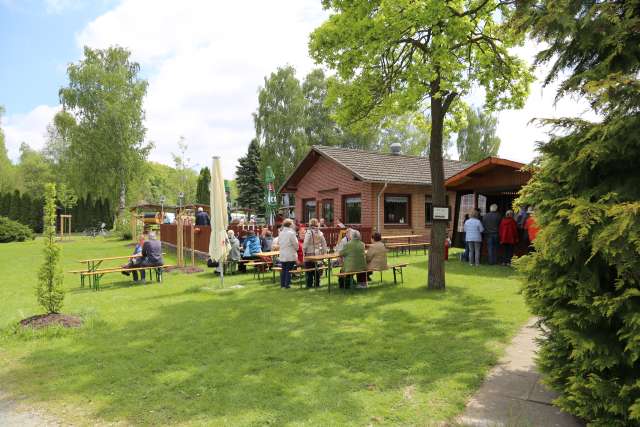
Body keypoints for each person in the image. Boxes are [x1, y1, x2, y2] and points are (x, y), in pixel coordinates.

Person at [303, 218, 328, 288]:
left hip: (309, 252)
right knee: (316, 269)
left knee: (309, 269)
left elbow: (305, 243)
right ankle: (317, 283)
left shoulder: (309, 232)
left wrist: (304, 252)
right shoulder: (320, 232)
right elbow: (324, 243)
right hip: (318, 252)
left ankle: (309, 284)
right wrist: (324, 252)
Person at [277, 219, 298, 289]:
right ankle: (287, 285)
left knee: (284, 269)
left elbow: (279, 242)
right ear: (290, 225)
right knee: (288, 270)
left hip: (283, 254)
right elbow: (295, 244)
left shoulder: (281, 232)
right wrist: (297, 248)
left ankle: (282, 284)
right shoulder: (291, 233)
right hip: (290, 253)